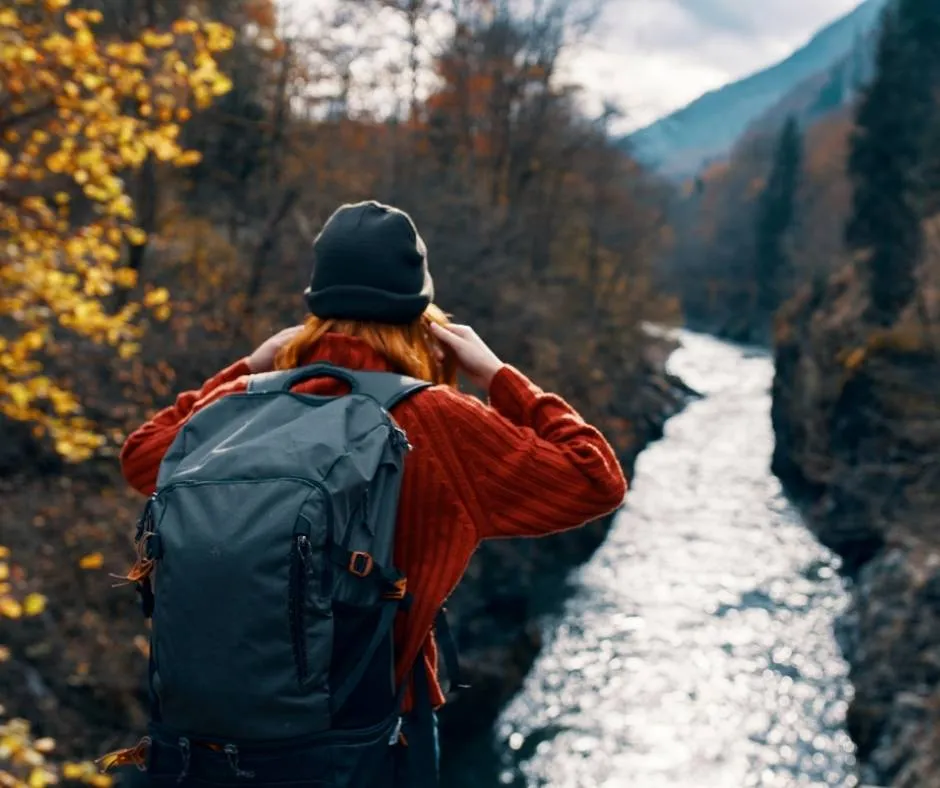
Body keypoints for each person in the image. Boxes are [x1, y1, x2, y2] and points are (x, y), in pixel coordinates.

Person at [114, 200, 627, 785]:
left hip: (202, 745)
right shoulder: (438, 420)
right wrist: (497, 374)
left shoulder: (241, 405)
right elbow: (594, 478)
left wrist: (246, 367)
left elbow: (143, 457)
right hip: (367, 746)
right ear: (423, 317)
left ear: (315, 306)